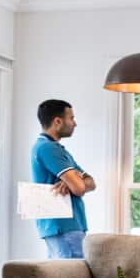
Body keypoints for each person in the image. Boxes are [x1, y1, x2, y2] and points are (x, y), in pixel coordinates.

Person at [31, 99, 94, 258]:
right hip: (63, 225)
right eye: (71, 118)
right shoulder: (48, 148)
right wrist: (75, 181)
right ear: (58, 121)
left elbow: (91, 182)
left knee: (66, 276)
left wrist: (74, 180)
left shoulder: (58, 149)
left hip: (68, 225)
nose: (75, 123)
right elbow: (79, 188)